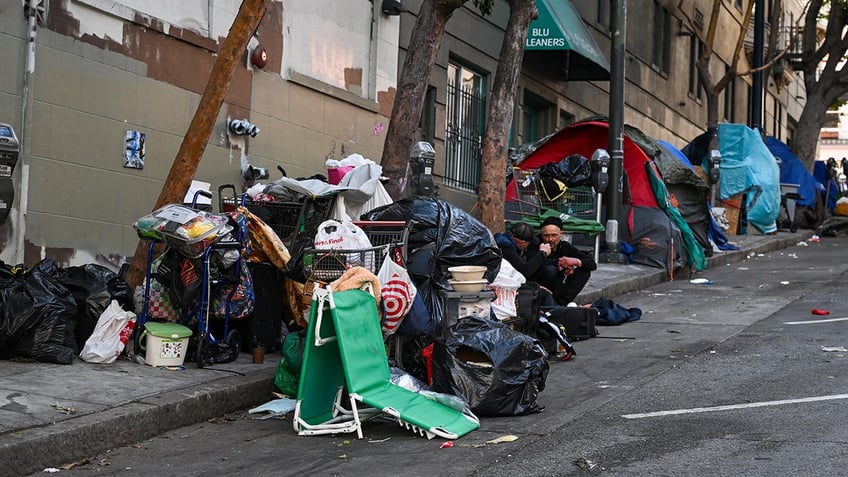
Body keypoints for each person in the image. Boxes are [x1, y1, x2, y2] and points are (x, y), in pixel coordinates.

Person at [527, 216, 596, 305]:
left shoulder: (564, 246)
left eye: (554, 235)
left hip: (558, 286)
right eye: (546, 235)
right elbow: (531, 263)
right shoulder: (535, 244)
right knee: (550, 269)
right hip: (538, 286)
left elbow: (592, 264)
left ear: (561, 234)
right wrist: (562, 263)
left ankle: (561, 304)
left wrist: (575, 262)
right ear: (541, 234)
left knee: (584, 271)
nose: (550, 239)